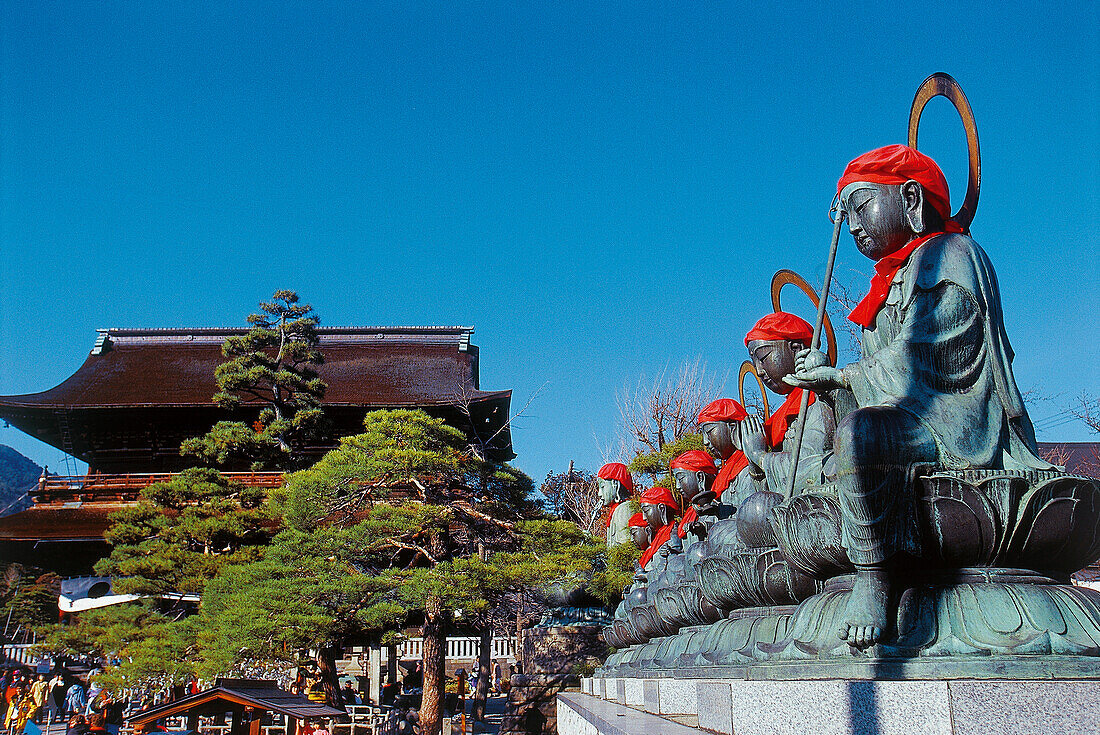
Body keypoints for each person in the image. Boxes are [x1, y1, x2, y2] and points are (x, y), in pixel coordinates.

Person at [787, 144, 1051, 649]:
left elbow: (929, 358)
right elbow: (872, 391)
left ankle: (874, 576)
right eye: (847, 214)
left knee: (863, 438)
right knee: (834, 467)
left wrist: (843, 379)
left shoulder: (949, 256)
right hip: (905, 424)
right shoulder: (883, 289)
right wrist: (830, 389)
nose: (854, 225)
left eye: (861, 207)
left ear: (910, 198)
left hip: (955, 419)